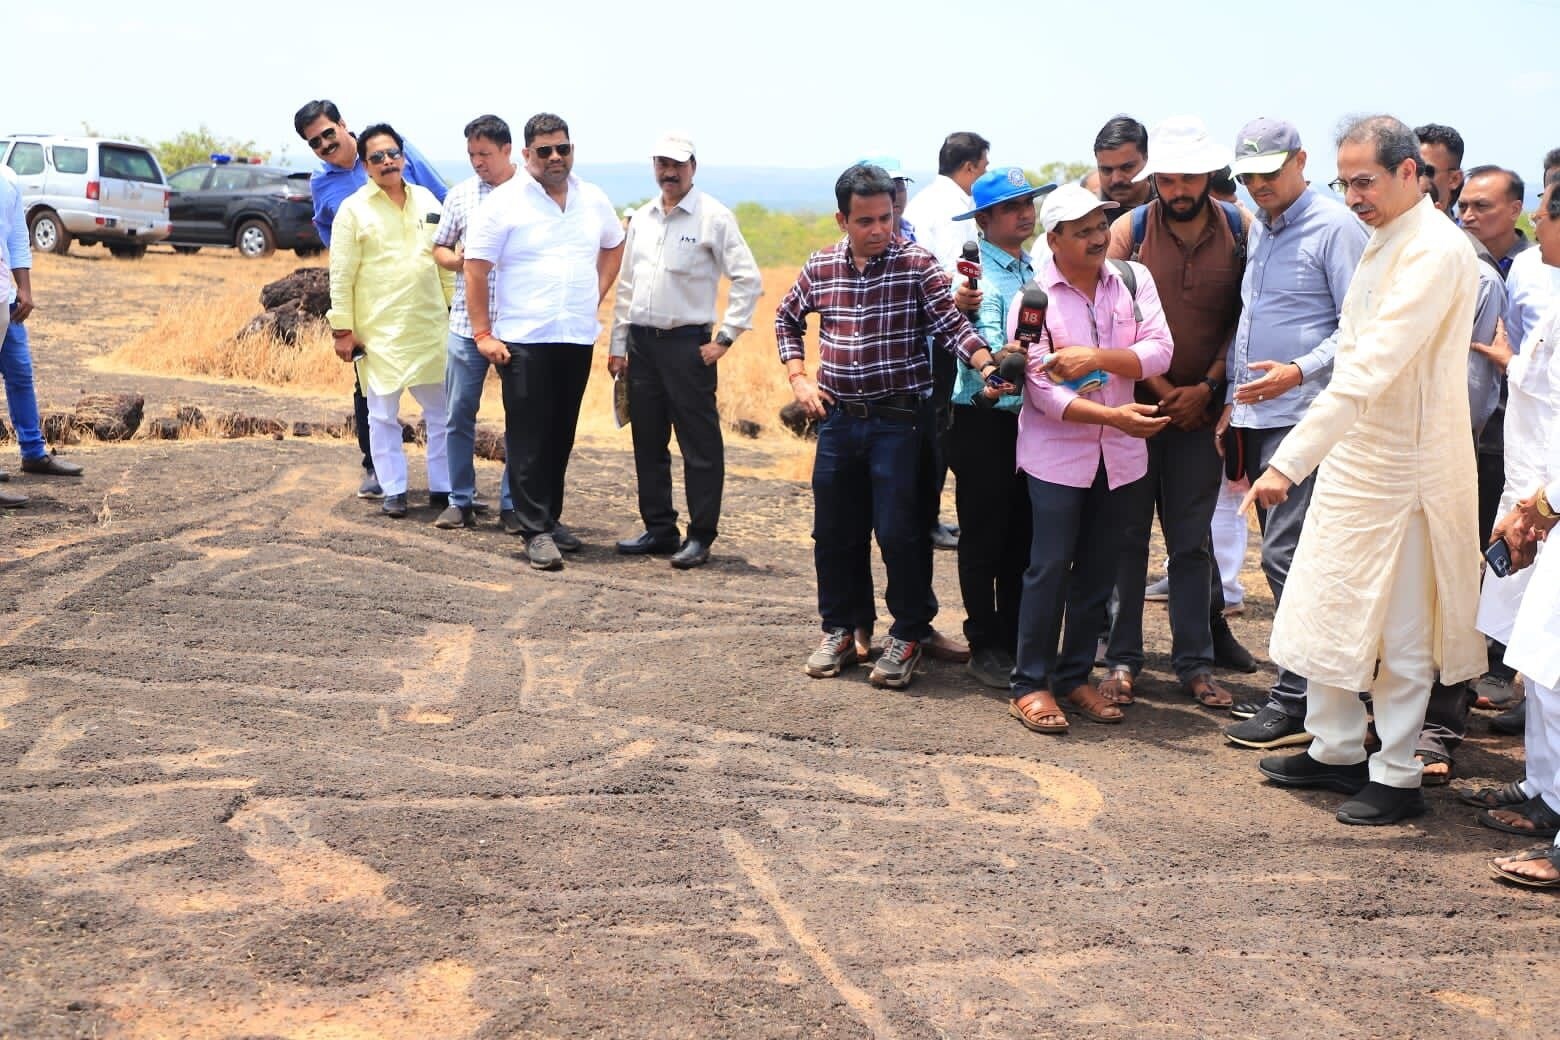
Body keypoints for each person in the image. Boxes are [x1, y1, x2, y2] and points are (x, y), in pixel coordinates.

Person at [1250, 115, 1484, 826]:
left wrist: (1288, 460)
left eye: (1366, 180)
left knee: (1402, 633)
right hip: (1355, 460)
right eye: (1344, 181)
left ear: (1411, 172)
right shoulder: (1385, 238)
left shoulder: (1438, 251)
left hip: (1408, 472)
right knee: (1328, 606)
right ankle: (1335, 747)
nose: (1353, 196)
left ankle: (1397, 771)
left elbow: (1370, 368)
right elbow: (1351, 359)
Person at [777, 164, 1000, 691]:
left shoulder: (915, 263)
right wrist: (799, 378)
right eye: (866, 221)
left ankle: (908, 633)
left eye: (886, 217)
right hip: (837, 422)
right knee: (834, 532)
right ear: (842, 220)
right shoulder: (822, 265)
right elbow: (787, 316)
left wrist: (988, 366)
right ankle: (841, 628)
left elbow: (951, 324)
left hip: (899, 424)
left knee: (899, 533)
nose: (879, 229)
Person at [1215, 118, 1369, 750]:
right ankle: (1320, 692)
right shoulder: (1263, 231)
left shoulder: (1334, 227)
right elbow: (1255, 321)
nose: (1258, 186)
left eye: (1269, 173)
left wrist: (1296, 372)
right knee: (1287, 555)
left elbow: (1360, 330)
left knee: (1291, 557)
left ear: (1302, 162)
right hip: (1261, 417)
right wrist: (1234, 402)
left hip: (1308, 417)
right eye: (1248, 176)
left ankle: (1302, 696)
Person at [1006, 183, 1173, 735]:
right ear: (1053, 239)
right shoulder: (1032, 301)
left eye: (1101, 227)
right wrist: (1112, 416)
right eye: (1083, 231)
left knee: (1099, 572)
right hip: (1059, 457)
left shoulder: (1132, 279)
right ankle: (1030, 684)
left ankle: (1076, 676)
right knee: (1048, 569)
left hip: (1121, 458)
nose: (1099, 238)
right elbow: (1039, 390)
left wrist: (1095, 358)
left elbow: (1160, 350)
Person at [1099, 116, 1249, 710]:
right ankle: (1123, 660)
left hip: (1200, 414)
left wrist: (1209, 386)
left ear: (1209, 176)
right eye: (1169, 178)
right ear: (1155, 176)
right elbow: (1114, 322)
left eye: (1191, 178)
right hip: (1137, 411)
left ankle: (1195, 665)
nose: (1180, 189)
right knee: (1127, 539)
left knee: (1192, 543)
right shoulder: (1127, 233)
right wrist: (1161, 386)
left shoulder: (1241, 229)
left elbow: (1244, 319)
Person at [464, 113, 625, 571]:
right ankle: (533, 529)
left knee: (560, 435)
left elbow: (614, 244)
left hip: (574, 336)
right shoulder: (503, 203)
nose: (556, 157)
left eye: (563, 148)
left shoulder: (592, 199)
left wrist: (595, 292)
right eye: (545, 150)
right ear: (526, 154)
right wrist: (482, 334)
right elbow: (476, 270)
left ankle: (548, 518)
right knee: (529, 435)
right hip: (524, 340)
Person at [608, 132, 762, 569]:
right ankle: (659, 529)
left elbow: (748, 280)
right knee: (648, 441)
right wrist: (619, 345)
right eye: (662, 163)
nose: (669, 172)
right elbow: (628, 286)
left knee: (699, 446)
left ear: (693, 166)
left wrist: (725, 338)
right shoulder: (642, 218)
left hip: (688, 347)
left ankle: (700, 535)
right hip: (642, 345)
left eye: (677, 164)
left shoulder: (714, 217)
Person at [292, 99, 447, 501]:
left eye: (329, 133)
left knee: (441, 407)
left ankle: (446, 489)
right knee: (375, 404)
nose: (326, 144)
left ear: (344, 125)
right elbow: (333, 245)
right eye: (316, 142)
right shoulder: (327, 188)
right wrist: (344, 321)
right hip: (372, 312)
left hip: (425, 312)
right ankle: (381, 475)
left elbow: (443, 202)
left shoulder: (402, 161)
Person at [1474, 171, 1560, 855]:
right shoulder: (1541, 281)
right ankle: (1542, 784)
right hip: (1534, 498)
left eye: (1543, 210)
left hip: (1549, 504)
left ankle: (1555, 803)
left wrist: (1541, 508)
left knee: (1553, 660)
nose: (1535, 221)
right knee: (1533, 651)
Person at [948, 167, 1055, 689]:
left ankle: (1014, 637)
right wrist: (1005, 363)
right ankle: (983, 641)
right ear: (984, 219)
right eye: (1014, 206)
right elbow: (977, 340)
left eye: (1029, 202)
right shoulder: (973, 279)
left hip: (1025, 421)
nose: (1026, 212)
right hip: (982, 419)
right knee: (984, 534)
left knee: (1022, 533)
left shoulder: (1032, 269)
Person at [325, 124, 453, 520]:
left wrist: (457, 313)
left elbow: (445, 264)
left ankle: (444, 487)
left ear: (403, 157)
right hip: (378, 333)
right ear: (365, 165)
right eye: (377, 157)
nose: (387, 162)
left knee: (442, 414)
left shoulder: (428, 199)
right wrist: (343, 330)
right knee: (381, 415)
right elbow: (341, 274)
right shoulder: (353, 210)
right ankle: (394, 489)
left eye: (393, 154)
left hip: (429, 326)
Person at [903, 132, 991, 554]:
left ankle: (928, 516)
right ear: (970, 166)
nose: (983, 175)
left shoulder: (921, 203)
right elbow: (962, 275)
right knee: (939, 428)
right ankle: (927, 519)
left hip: (920, 331)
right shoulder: (958, 209)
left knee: (933, 426)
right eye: (984, 168)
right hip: (944, 333)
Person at [431, 115, 516, 532]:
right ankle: (459, 499)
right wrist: (462, 261)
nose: (478, 162)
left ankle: (514, 505)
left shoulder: (529, 193)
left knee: (521, 419)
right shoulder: (461, 195)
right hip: (466, 324)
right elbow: (440, 248)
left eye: (485, 154)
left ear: (507, 150)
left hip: (519, 326)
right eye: (471, 155)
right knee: (458, 413)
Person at [1, 166, 82, 505]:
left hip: (4, 296)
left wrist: (25, 288)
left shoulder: (6, 178)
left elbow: (17, 236)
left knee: (20, 372)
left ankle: (33, 453)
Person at [1093, 116, 1152, 218]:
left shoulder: (1173, 204)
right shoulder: (1089, 216)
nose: (1116, 179)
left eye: (1127, 167)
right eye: (1107, 170)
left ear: (1147, 159)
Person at [1414, 123, 1465, 216]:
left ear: (1455, 179)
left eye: (1425, 172)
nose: (1415, 179)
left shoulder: (1454, 231)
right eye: (1408, 170)